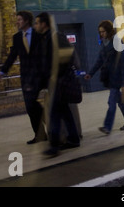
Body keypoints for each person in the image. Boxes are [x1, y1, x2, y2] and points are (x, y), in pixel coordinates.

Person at [34, 12, 81, 157]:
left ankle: (54, 146)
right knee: (64, 111)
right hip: (54, 82)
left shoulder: (56, 37)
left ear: (44, 24)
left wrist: (57, 74)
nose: (35, 26)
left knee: (53, 114)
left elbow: (69, 56)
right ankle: (73, 139)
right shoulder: (45, 39)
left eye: (37, 23)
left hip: (59, 83)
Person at [0, 10, 47, 145]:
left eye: (19, 20)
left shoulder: (38, 34)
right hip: (26, 78)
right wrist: (2, 71)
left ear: (26, 21)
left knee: (32, 103)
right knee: (30, 107)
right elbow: (12, 56)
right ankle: (40, 134)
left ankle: (49, 119)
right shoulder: (17, 37)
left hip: (39, 76)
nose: (17, 22)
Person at [84, 20, 124, 135]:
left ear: (108, 31)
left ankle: (107, 126)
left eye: (103, 32)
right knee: (121, 102)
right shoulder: (104, 43)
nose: (101, 34)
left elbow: (123, 61)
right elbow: (99, 61)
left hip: (118, 77)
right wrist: (90, 73)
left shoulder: (117, 41)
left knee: (111, 101)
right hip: (110, 77)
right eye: (100, 32)